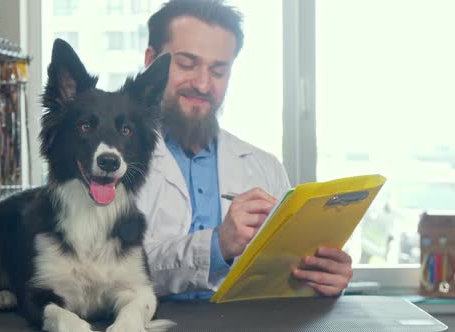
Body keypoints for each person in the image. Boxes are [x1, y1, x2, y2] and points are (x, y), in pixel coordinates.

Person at [136, 0, 353, 300]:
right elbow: (99, 276)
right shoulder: (109, 164)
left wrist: (321, 279)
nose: (202, 83)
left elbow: (282, 281)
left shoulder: (265, 167)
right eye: (186, 64)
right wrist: (216, 246)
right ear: (150, 61)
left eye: (218, 70)